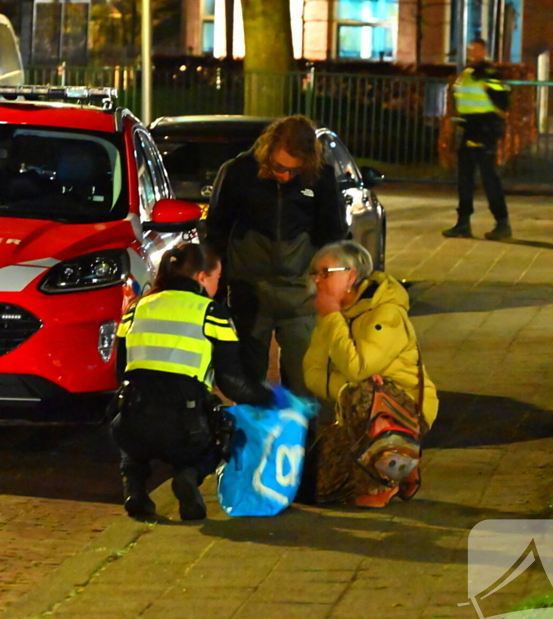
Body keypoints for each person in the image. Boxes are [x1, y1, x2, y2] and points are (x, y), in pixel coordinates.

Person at [111, 243, 277, 521]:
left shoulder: (135, 308)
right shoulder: (212, 313)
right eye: (216, 278)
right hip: (186, 428)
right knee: (225, 430)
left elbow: (121, 373)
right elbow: (233, 384)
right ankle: (189, 476)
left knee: (130, 433)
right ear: (201, 277)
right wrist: (270, 399)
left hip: (133, 422)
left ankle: (135, 491)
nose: (217, 285)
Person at [205, 115, 348, 397]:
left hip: (300, 295)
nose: (284, 176)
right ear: (267, 150)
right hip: (251, 292)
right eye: (279, 167)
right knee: (248, 383)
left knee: (305, 382)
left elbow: (333, 235)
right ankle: (256, 437)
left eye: (294, 172)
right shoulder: (238, 172)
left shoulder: (321, 177)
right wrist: (218, 290)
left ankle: (302, 439)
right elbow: (216, 231)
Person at [301, 241, 439, 508]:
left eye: (325, 272)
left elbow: (356, 368)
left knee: (360, 393)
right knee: (317, 492)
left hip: (406, 408)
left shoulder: (386, 312)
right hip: (357, 409)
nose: (317, 280)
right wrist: (354, 383)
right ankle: (401, 466)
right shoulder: (335, 314)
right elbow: (313, 373)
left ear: (351, 276)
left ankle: (387, 477)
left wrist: (332, 317)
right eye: (314, 273)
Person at [442, 38, 513, 241]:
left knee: (488, 176)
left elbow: (503, 101)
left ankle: (502, 223)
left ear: (485, 51)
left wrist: (489, 121)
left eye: (477, 49)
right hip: (469, 127)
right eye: (471, 49)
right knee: (465, 176)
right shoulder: (469, 72)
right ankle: (463, 222)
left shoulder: (488, 73)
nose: (473, 52)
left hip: (484, 128)